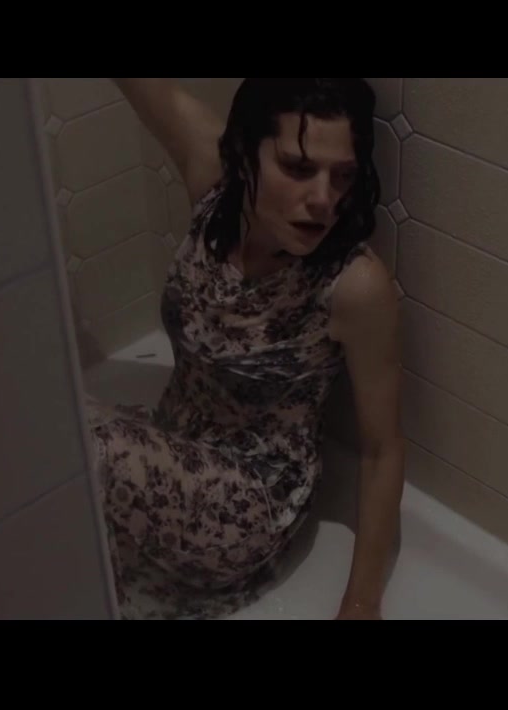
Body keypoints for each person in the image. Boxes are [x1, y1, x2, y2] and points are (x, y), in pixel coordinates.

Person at [82, 78, 405, 620]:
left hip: (248, 506)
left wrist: (361, 604)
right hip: (174, 447)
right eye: (298, 167)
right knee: (49, 415)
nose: (324, 199)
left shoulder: (353, 284)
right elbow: (149, 89)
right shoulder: (215, 187)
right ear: (244, 152)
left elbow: (382, 449)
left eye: (343, 176)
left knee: (83, 444)